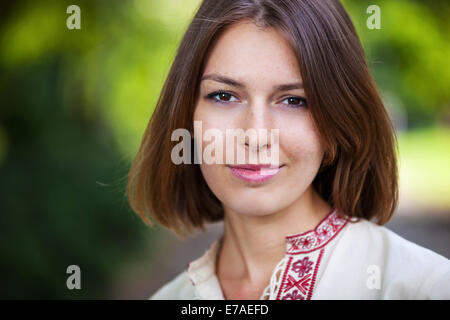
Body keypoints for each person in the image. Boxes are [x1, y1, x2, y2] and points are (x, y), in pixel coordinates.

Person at [127, 0, 450, 299]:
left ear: (337, 121)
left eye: (294, 100)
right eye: (224, 96)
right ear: (186, 113)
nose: (255, 136)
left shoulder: (424, 287)